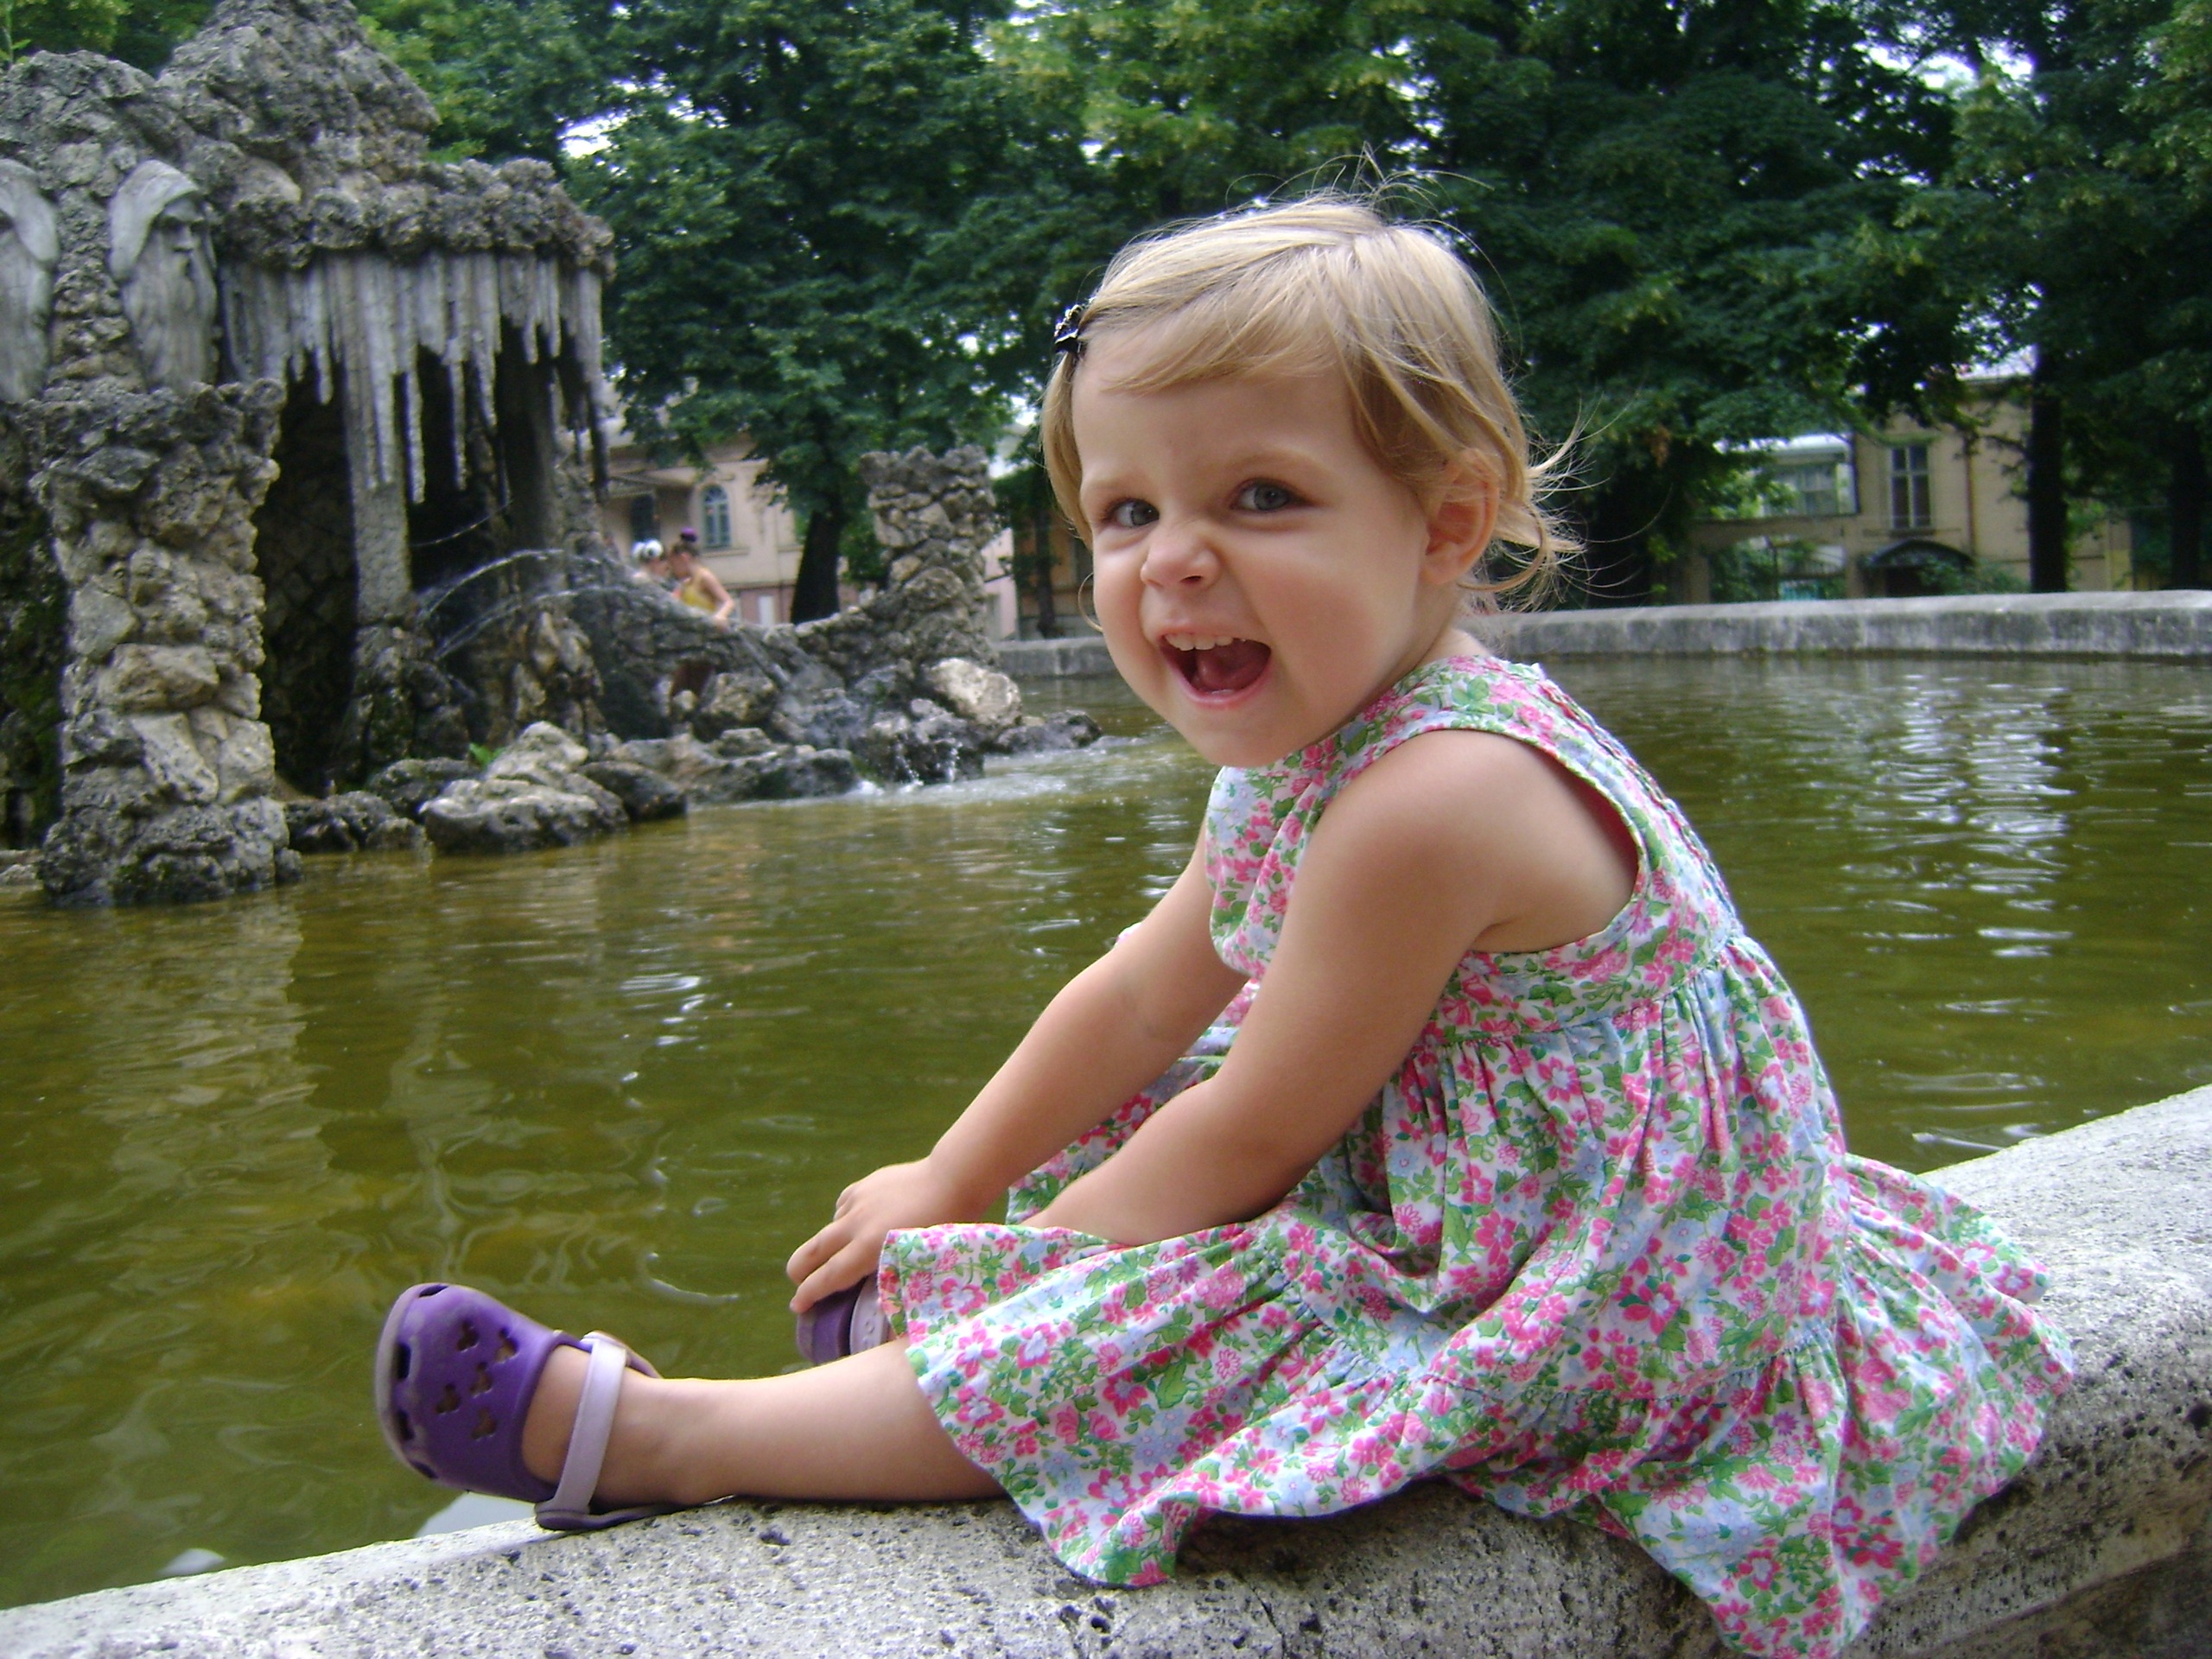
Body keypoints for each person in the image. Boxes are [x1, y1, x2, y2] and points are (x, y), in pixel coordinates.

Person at [372, 195, 2070, 1659]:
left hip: (1605, 1291)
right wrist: (949, 1181)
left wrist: (1015, 1287)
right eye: (1127, 512)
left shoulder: (1433, 795)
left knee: (1201, 1314)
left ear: (1445, 521)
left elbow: (1252, 1132)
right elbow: (1135, 995)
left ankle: (663, 1438)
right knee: (1142, 1097)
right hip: (1473, 1180)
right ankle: (916, 1351)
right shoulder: (1312, 743)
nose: (1172, 562)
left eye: (1258, 497)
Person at [667, 525, 735, 627]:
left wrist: (721, 615)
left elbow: (728, 602)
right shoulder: (685, 584)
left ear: (684, 558)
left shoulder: (704, 577)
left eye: (673, 564)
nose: (673, 570)